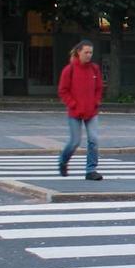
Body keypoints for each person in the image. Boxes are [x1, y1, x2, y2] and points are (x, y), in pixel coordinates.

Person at [57, 40, 104, 180]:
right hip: (75, 112)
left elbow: (99, 88)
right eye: (86, 52)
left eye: (91, 52)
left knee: (93, 140)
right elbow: (63, 90)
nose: (89, 55)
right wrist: (73, 104)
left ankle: (91, 170)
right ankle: (63, 161)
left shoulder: (94, 69)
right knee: (75, 141)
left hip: (91, 111)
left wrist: (96, 102)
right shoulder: (69, 69)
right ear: (79, 52)